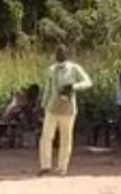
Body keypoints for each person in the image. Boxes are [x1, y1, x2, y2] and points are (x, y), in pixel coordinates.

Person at [38, 45, 92, 176]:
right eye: (57, 52)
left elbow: (88, 82)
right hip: (52, 107)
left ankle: (62, 167)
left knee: (66, 138)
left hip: (68, 108)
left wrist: (73, 86)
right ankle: (45, 165)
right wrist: (43, 105)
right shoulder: (51, 69)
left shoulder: (74, 68)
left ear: (67, 54)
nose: (59, 54)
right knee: (46, 136)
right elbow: (48, 89)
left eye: (62, 52)